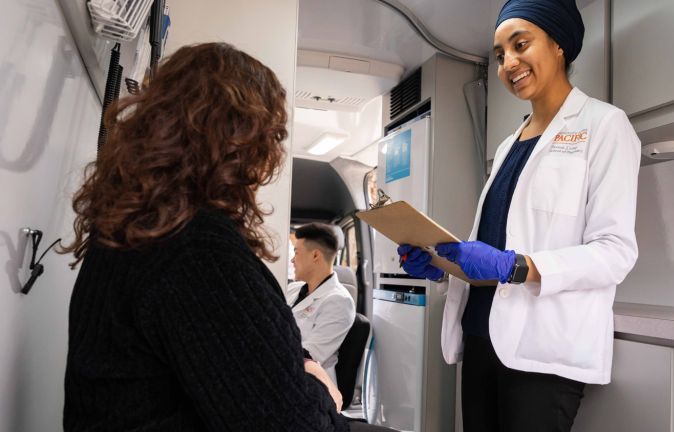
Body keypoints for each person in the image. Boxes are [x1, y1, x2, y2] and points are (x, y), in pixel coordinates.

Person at [61, 42, 390, 432]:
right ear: (242, 144)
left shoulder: (135, 231)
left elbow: (244, 345)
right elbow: (291, 423)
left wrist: (297, 363)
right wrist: (318, 386)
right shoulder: (194, 252)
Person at [398, 0, 641, 430]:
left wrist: (516, 266)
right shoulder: (510, 144)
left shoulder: (605, 126)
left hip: (542, 353)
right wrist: (440, 266)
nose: (509, 62)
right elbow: (493, 247)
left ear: (559, 45)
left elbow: (615, 252)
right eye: (499, 55)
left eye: (520, 44)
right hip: (479, 337)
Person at [286, 223, 355, 385]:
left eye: (296, 253)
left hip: (309, 384)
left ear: (315, 255)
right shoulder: (292, 289)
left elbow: (310, 356)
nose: (292, 260)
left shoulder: (339, 302)